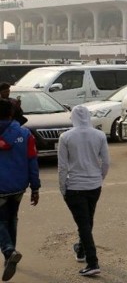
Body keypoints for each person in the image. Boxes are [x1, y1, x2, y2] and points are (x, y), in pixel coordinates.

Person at [58, 105, 110, 277]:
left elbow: (62, 166)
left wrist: (62, 187)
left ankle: (92, 262)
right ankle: (81, 250)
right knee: (87, 220)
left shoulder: (66, 137)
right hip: (94, 185)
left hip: (75, 186)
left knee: (83, 224)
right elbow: (106, 162)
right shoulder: (99, 135)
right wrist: (99, 178)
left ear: (72, 118)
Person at [0, 100, 39, 282]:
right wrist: (35, 187)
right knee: (12, 219)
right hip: (18, 187)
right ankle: (10, 255)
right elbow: (32, 161)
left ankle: (9, 251)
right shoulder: (25, 134)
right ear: (11, 114)